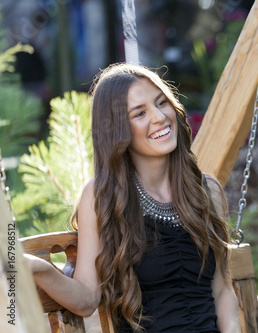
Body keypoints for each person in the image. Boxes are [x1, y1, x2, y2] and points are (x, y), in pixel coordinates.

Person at [24, 63, 241, 333]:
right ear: (116, 130)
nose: (160, 117)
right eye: (140, 113)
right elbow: (86, 299)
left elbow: (221, 291)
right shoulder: (101, 197)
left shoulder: (206, 190)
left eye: (162, 103)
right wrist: (36, 268)